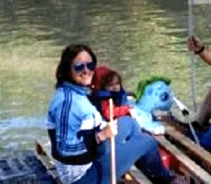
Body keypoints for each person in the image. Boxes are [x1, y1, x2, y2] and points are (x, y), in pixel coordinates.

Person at [46, 44, 185, 184]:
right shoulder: (68, 103)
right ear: (67, 70)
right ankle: (166, 179)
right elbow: (64, 149)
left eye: (90, 65)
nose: (86, 70)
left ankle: (144, 165)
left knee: (129, 123)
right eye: (79, 67)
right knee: (147, 141)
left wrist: (104, 129)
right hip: (81, 177)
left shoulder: (76, 92)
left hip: (92, 155)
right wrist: (100, 136)